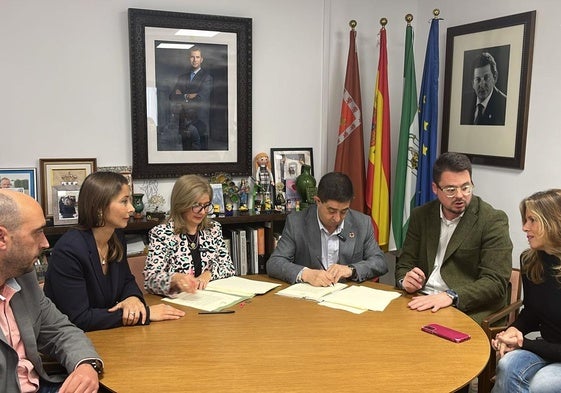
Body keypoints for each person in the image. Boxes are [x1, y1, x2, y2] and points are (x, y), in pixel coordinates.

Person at [44, 172, 185, 332]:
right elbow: (79, 318)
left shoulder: (115, 236)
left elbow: (127, 281)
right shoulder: (69, 251)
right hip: (72, 341)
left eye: (130, 201)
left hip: (106, 333)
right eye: (124, 201)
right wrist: (143, 313)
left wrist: (132, 299)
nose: (131, 208)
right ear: (99, 208)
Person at [0, 189, 102, 392]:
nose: (45, 243)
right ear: (2, 238)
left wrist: (86, 364)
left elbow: (60, 330)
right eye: (37, 232)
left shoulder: (23, 277)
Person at [395, 152, 513, 324]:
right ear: (435, 189)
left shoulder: (492, 220)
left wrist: (451, 296)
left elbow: (495, 282)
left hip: (465, 307)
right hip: (420, 299)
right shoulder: (421, 215)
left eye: (466, 188)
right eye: (451, 189)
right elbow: (404, 264)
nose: (460, 195)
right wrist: (405, 280)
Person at [491, 189, 561, 392]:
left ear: (553, 223)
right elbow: (532, 311)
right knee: (507, 365)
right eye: (525, 220)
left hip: (550, 350)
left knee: (542, 385)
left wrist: (523, 344)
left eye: (532, 220)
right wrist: (514, 329)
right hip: (546, 347)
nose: (524, 227)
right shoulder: (530, 260)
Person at [266, 172, 388, 286]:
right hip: (310, 298)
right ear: (318, 201)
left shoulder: (362, 223)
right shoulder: (296, 223)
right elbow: (275, 263)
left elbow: (380, 262)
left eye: (344, 211)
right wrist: (306, 274)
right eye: (332, 211)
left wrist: (351, 269)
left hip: (347, 298)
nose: (337, 218)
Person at [144, 175, 235, 296]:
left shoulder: (213, 229)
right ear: (181, 204)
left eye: (206, 205)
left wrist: (209, 274)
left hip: (209, 299)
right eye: (196, 205)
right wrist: (174, 279)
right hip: (178, 304)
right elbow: (150, 280)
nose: (202, 212)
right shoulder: (162, 233)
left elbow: (228, 267)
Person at [169, 46, 213, 149]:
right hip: (184, 123)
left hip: (199, 124)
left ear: (201, 59)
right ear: (189, 59)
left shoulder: (207, 78)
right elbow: (172, 96)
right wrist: (188, 96)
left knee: (201, 158)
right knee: (186, 155)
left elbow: (200, 99)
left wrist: (182, 95)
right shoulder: (182, 78)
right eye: (192, 57)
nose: (195, 60)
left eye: (197, 57)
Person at [460, 51, 507, 125]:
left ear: (495, 78)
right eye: (478, 79)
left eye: (486, 78)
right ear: (472, 83)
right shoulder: (463, 101)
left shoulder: (505, 105)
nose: (482, 85)